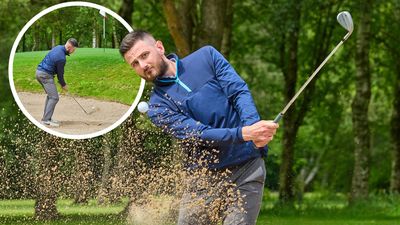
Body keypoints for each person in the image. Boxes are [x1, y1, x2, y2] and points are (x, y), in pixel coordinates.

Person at [119, 30, 278, 225]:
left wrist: (254, 128)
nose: (142, 65)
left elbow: (238, 92)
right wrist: (243, 133)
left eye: (144, 55)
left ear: (159, 48)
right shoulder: (157, 107)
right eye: (134, 63)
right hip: (203, 180)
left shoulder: (206, 56)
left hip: (246, 169)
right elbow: (199, 134)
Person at [36, 38, 78, 127]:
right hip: (45, 75)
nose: (74, 51)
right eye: (74, 49)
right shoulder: (61, 58)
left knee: (51, 96)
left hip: (39, 72)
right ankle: (46, 120)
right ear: (70, 48)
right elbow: (60, 74)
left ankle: (47, 118)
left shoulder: (58, 47)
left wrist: (61, 82)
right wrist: (63, 85)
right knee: (54, 98)